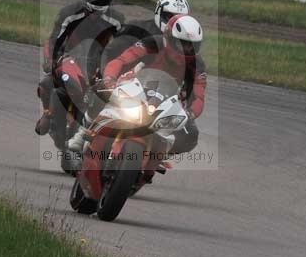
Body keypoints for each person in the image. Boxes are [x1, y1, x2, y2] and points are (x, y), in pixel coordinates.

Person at [68, 14, 206, 163]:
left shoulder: (198, 65)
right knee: (100, 90)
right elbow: (120, 60)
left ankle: (159, 155)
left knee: (191, 133)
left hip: (168, 103)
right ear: (168, 38)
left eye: (191, 46)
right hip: (135, 88)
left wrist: (191, 113)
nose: (186, 50)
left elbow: (199, 96)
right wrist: (109, 79)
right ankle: (83, 132)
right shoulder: (152, 43)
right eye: (182, 44)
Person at [34, 0, 124, 140]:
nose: (98, 2)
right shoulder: (69, 13)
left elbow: (123, 47)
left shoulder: (116, 20)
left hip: (99, 64)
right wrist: (50, 60)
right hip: (69, 58)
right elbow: (54, 39)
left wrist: (121, 67)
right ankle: (47, 112)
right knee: (45, 83)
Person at [103, 0, 190, 64]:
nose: (173, 21)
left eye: (179, 18)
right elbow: (112, 51)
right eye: (170, 16)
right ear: (159, 13)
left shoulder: (186, 40)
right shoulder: (135, 28)